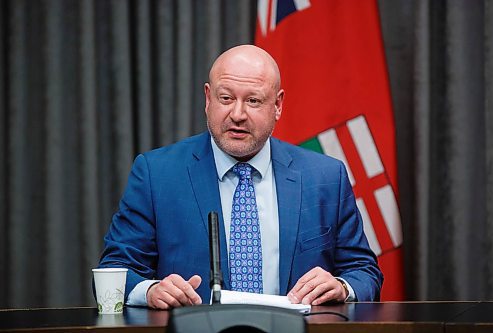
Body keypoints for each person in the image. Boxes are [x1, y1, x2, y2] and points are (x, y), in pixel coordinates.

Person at [98, 44, 383, 310]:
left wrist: (342, 287)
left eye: (254, 101)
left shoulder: (325, 177)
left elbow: (364, 271)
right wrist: (150, 291)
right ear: (208, 99)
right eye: (226, 98)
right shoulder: (157, 173)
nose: (237, 114)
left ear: (278, 105)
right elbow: (116, 268)